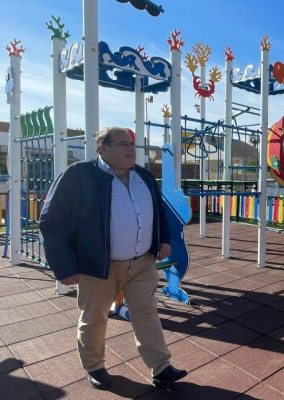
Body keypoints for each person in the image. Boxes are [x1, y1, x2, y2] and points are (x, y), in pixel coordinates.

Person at [40, 127, 187, 390]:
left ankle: (161, 367)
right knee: (94, 318)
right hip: (98, 265)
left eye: (132, 143)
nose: (130, 149)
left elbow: (159, 212)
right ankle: (94, 366)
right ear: (102, 148)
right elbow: (52, 222)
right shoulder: (78, 176)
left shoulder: (144, 176)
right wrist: (63, 266)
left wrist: (163, 239)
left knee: (147, 312)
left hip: (142, 262)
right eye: (122, 144)